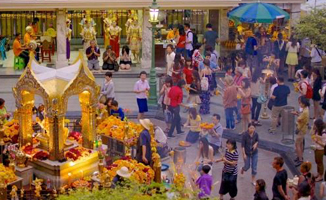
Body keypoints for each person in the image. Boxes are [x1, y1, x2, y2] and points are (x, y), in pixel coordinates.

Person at [292, 96, 310, 167]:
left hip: (301, 129)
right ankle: (300, 156)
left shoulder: (305, 111)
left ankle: (300, 159)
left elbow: (299, 119)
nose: (300, 104)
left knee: (297, 144)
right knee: (301, 143)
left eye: (301, 103)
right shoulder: (305, 109)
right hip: (303, 128)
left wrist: (296, 115)